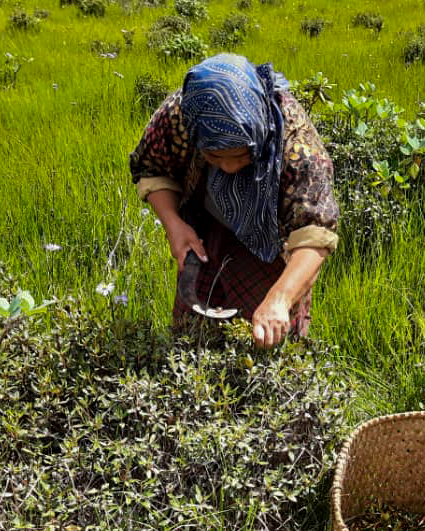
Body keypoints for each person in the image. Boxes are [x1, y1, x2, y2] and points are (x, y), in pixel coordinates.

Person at [129, 53, 339, 349]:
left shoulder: (297, 144)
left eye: (241, 155)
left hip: (271, 242)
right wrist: (174, 224)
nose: (228, 167)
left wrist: (280, 298)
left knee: (268, 338)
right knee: (193, 336)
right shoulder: (183, 114)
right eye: (214, 156)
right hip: (205, 228)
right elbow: (153, 168)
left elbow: (315, 233)